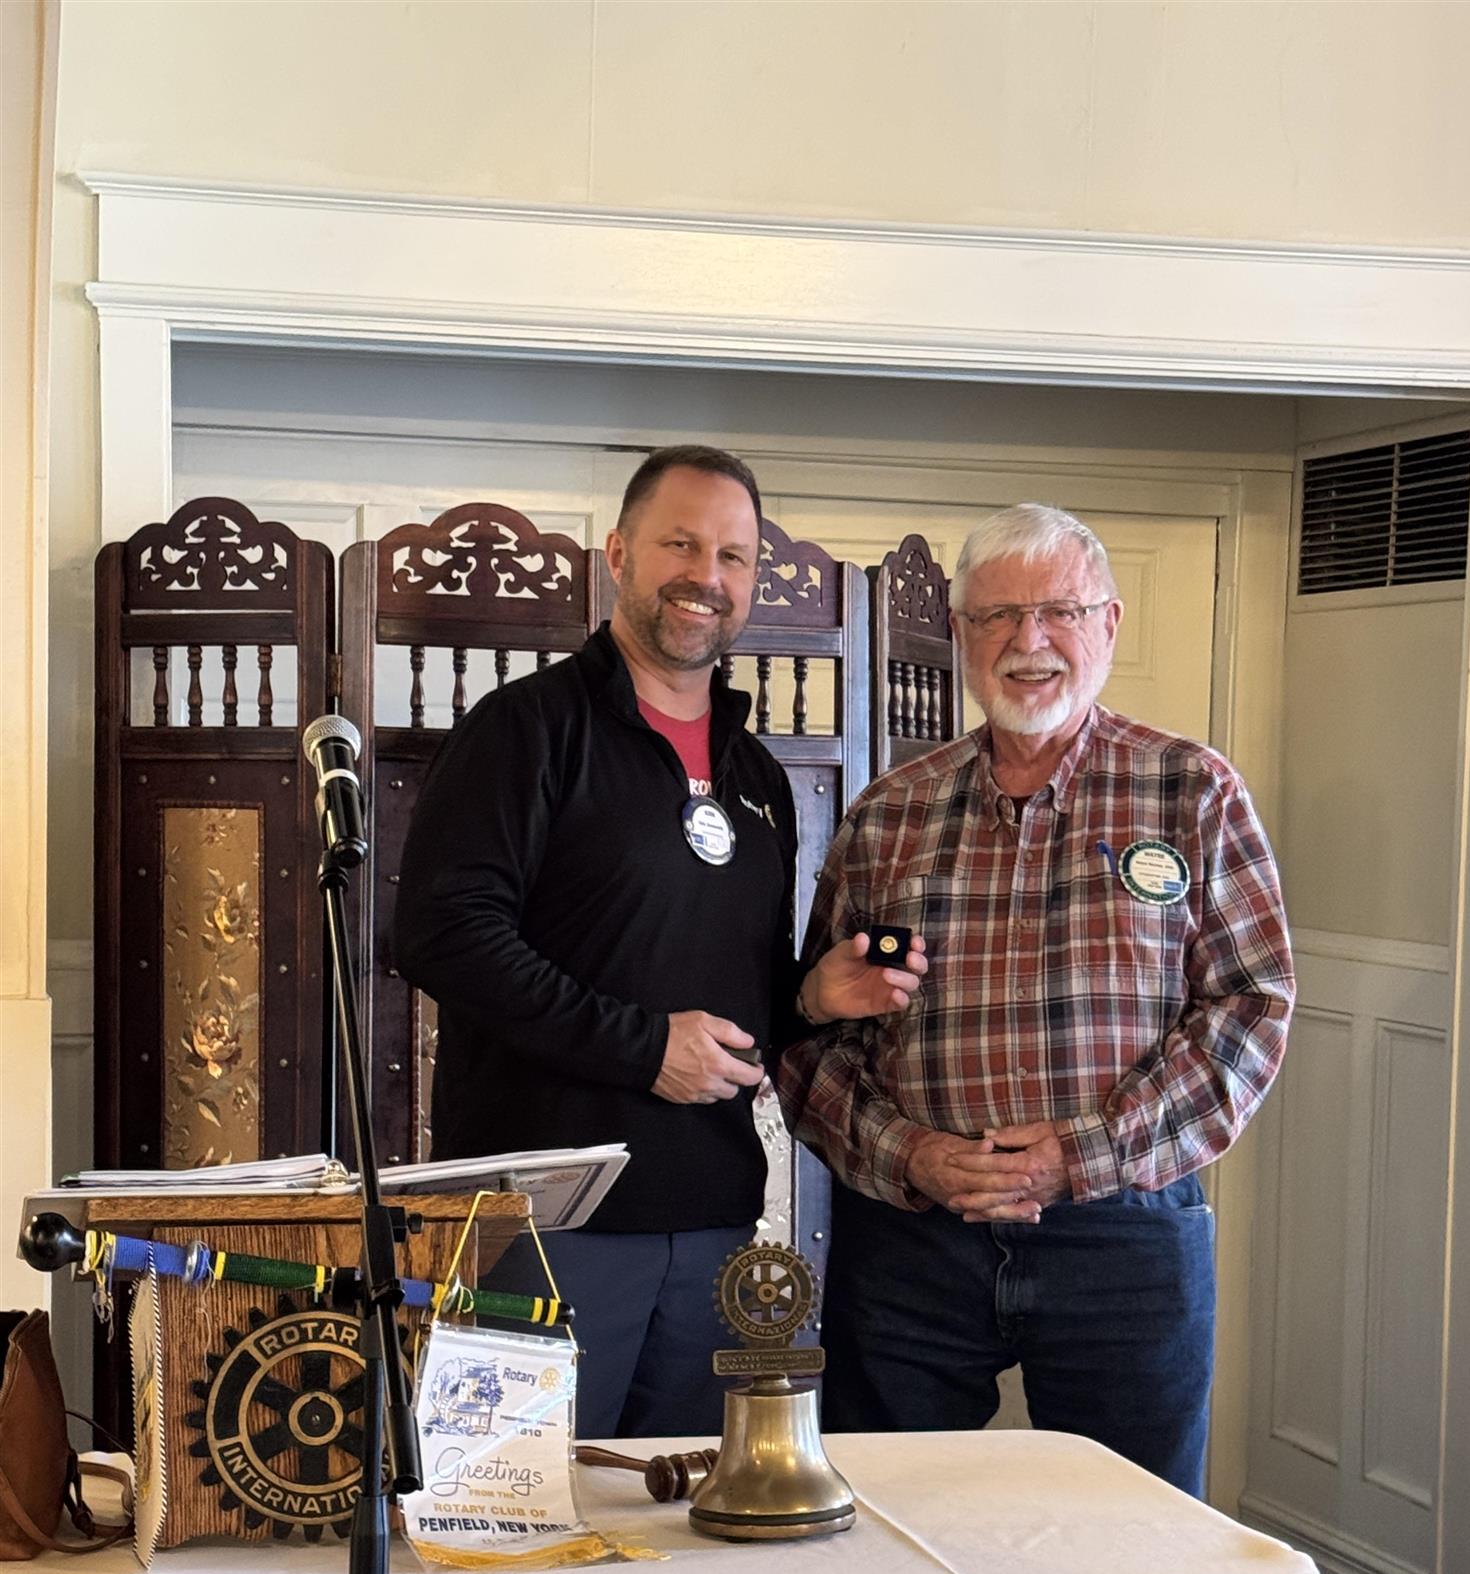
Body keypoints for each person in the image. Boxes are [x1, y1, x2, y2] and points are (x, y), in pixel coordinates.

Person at [394, 445, 923, 1439]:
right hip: (542, 1223)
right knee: (512, 1516)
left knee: (677, 1513)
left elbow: (717, 986)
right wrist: (644, 1049)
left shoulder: (756, 776)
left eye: (732, 556)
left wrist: (809, 998)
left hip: (714, 1221)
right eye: (679, 544)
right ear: (618, 555)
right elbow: (441, 936)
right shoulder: (523, 730)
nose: (705, 575)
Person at [776, 503, 1294, 1495]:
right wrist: (911, 1155)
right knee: (889, 1524)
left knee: (1134, 1534)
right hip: (913, 1246)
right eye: (997, 616)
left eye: (1059, 611)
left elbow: (1250, 1006)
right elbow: (814, 1036)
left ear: (1109, 622)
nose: (1030, 641)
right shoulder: (889, 813)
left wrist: (1078, 1156)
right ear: (958, 633)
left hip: (1124, 1234)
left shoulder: (1190, 790)